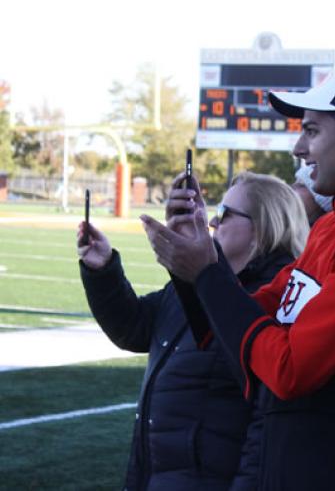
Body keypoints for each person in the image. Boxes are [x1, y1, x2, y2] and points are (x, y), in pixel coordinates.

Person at [153, 67, 335, 490]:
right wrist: (196, 252)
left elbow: (289, 370)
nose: (299, 147)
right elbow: (241, 319)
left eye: (311, 131)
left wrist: (207, 271)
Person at [77, 171, 309, 491]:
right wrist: (102, 270)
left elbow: (266, 428)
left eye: (223, 214)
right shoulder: (198, 280)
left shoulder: (277, 301)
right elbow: (136, 327)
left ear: (263, 226)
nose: (211, 223)